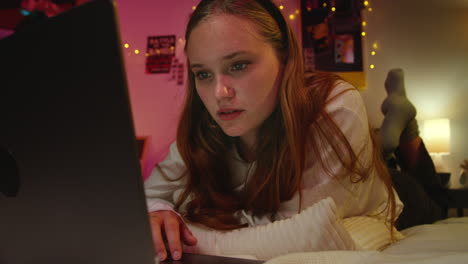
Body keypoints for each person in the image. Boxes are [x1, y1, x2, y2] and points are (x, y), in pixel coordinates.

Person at [144, 0, 401, 261]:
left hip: (394, 196)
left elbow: (306, 235)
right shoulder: (205, 125)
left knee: (421, 188)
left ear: (285, 58)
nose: (219, 93)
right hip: (340, 176)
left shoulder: (334, 107)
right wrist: (159, 213)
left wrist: (185, 235)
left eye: (238, 65)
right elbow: (143, 200)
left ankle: (402, 129)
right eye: (203, 74)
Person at [378, 68, 448, 230]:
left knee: (434, 197)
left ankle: (383, 149)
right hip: (390, 189)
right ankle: (399, 136)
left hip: (385, 182)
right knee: (437, 202)